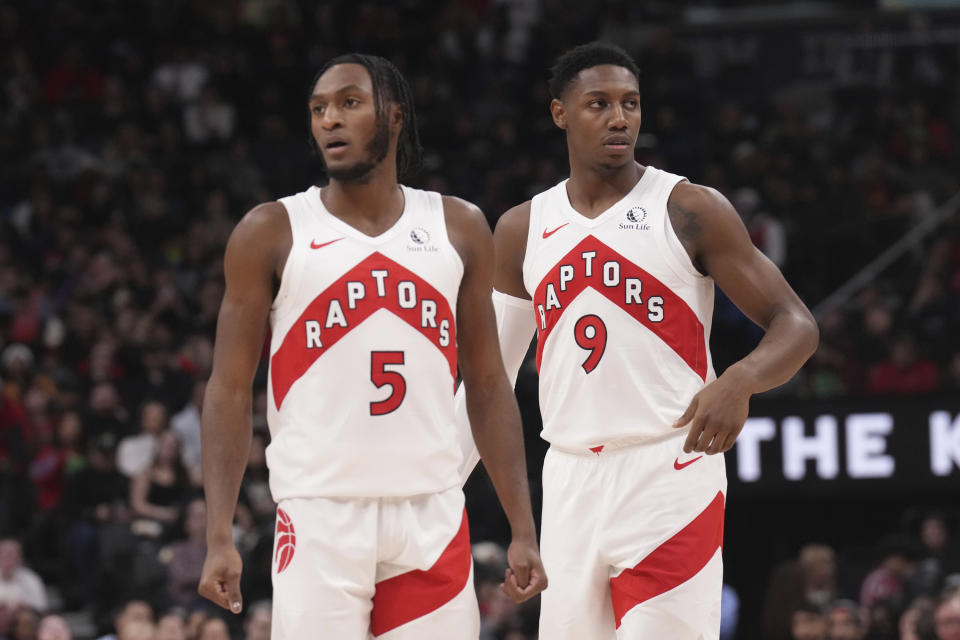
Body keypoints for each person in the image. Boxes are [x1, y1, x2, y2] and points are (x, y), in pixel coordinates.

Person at [457, 41, 818, 638]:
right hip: (570, 476)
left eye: (630, 103)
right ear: (560, 114)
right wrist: (436, 485)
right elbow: (488, 377)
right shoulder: (523, 228)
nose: (619, 117)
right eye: (598, 103)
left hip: (670, 469)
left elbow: (796, 323)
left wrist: (741, 379)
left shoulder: (687, 208)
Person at [198, 53, 546, 639]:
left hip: (430, 514)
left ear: (394, 118)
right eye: (318, 109)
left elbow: (488, 384)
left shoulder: (458, 227)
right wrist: (218, 534)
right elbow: (229, 390)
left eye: (350, 103)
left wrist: (522, 526)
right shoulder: (271, 230)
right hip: (319, 516)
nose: (330, 119)